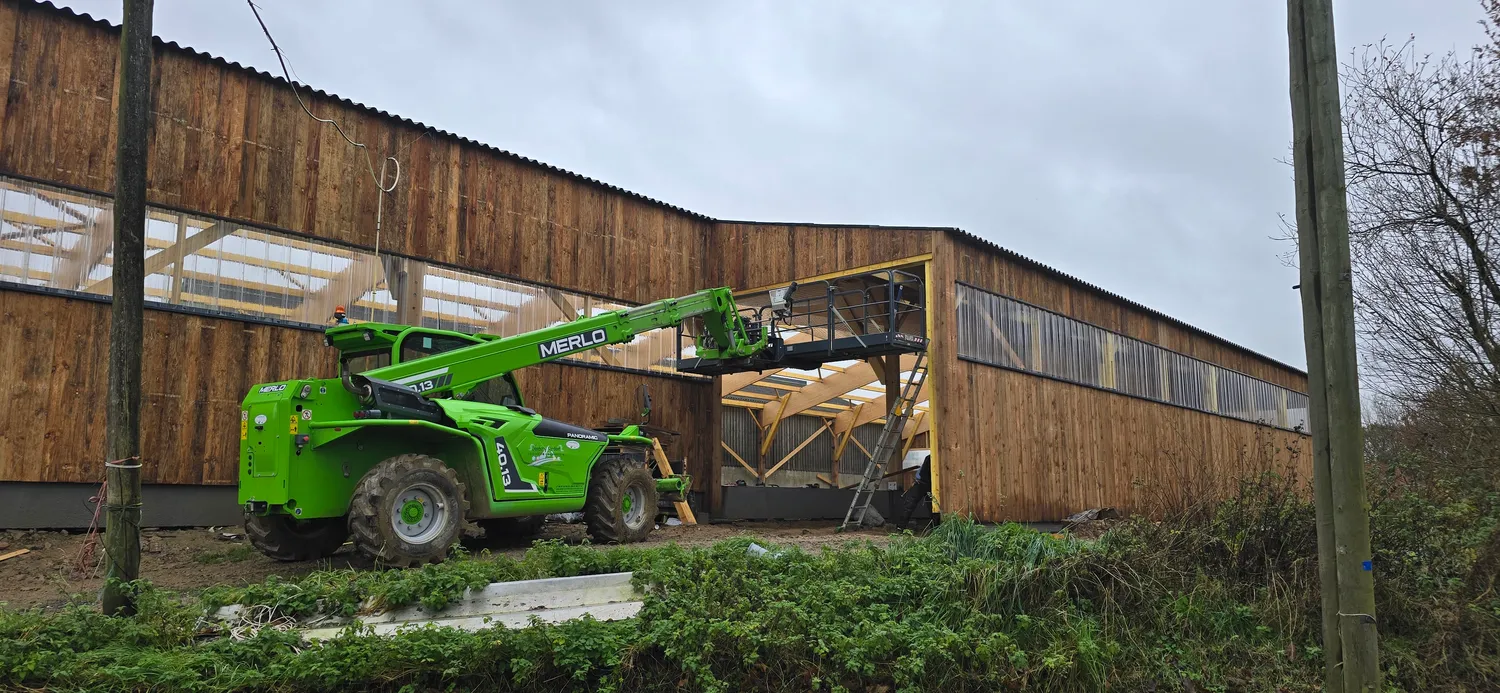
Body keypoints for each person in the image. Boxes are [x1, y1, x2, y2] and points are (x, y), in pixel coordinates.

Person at [897, 454, 932, 530]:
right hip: (930, 484)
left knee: (909, 505)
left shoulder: (929, 457)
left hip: (921, 482)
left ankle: (901, 526)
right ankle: (935, 527)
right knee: (932, 506)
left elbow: (922, 473)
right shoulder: (932, 458)